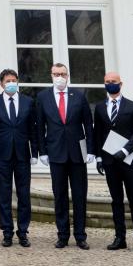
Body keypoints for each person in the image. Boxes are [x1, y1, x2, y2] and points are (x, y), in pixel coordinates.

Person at [36, 61, 96, 248]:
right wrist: (42, 151)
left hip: (78, 154)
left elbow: (88, 124)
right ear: (51, 75)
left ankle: (80, 235)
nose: (59, 77)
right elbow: (39, 126)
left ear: (68, 76)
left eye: (63, 74)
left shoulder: (79, 96)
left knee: (79, 195)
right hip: (55, 153)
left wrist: (91, 150)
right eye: (56, 74)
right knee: (59, 196)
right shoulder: (43, 97)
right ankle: (62, 235)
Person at [93, 70, 133, 254]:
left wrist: (124, 151)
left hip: (129, 161)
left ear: (120, 84)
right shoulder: (100, 108)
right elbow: (97, 134)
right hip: (109, 161)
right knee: (116, 200)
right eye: (107, 81)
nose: (110, 84)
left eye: (113, 81)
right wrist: (99, 157)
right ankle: (120, 237)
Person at [0, 68, 38, 247]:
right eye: (7, 81)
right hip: (2, 156)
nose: (11, 83)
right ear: (1, 84)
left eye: (14, 80)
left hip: (23, 155)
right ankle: (7, 232)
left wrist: (35, 152)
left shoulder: (28, 102)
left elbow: (33, 128)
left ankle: (23, 232)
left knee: (24, 195)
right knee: (4, 195)